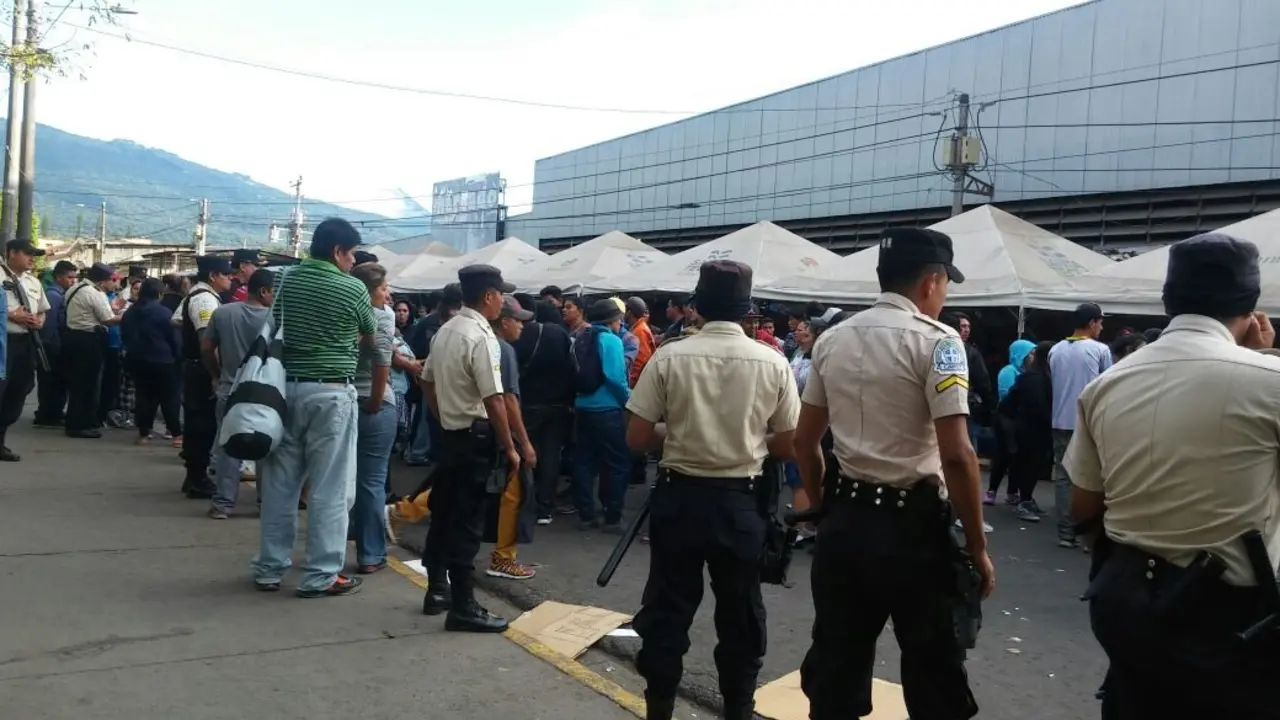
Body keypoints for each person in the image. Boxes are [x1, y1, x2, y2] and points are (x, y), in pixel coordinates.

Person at [1067, 233, 1280, 719]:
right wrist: (1265, 358)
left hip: (1123, 599)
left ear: (1168, 299)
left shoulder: (1107, 383)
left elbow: (1082, 507)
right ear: (1251, 308)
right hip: (1227, 616)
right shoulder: (1270, 382)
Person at [794, 227, 994, 720]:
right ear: (931, 282)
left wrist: (823, 507)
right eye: (946, 285)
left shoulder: (833, 339)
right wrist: (977, 545)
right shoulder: (942, 344)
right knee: (934, 674)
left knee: (836, 668)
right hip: (914, 533)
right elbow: (958, 455)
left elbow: (805, 441)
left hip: (845, 525)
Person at [625, 260, 799, 720]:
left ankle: (659, 708)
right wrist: (746, 437)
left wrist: (679, 431)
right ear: (747, 312)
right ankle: (738, 709)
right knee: (741, 614)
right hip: (741, 502)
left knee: (667, 610)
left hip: (679, 499)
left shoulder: (669, 356)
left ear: (696, 307)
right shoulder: (773, 362)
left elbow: (637, 437)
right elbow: (787, 445)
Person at [252, 218, 375, 598]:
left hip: (282, 392)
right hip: (332, 393)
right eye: (351, 254)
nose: (353, 262)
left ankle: (269, 569)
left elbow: (274, 325)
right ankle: (321, 574)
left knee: (279, 487)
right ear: (338, 251)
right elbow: (370, 335)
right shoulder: (353, 288)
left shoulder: (285, 280)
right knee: (330, 489)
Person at [417, 263, 521, 632]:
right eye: (501, 296)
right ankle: (464, 605)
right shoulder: (481, 336)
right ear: (490, 297)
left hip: (451, 434)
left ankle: (436, 589)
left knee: (443, 513)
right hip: (476, 438)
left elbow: (426, 379)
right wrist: (510, 448)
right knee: (466, 523)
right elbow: (495, 398)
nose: (503, 303)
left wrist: (442, 413)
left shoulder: (445, 330)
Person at [201, 268, 275, 519]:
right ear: (264, 291)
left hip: (229, 390)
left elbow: (207, 348)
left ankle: (223, 505)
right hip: (267, 395)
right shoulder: (275, 319)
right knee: (267, 447)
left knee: (228, 448)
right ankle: (266, 504)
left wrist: (215, 374)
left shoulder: (222, 313)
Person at [1048, 302, 1112, 549]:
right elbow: (1107, 386)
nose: (1102, 327)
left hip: (1059, 420)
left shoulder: (1056, 350)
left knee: (1063, 477)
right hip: (1088, 422)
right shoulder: (1100, 350)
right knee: (1092, 477)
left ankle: (1065, 532)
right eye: (1101, 322)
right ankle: (1088, 533)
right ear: (1093, 323)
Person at [349, 262, 398, 574]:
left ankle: (335, 545)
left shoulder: (341, 315)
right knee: (372, 481)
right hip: (373, 403)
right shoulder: (382, 317)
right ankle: (370, 555)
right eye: (383, 288)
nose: (388, 294)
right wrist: (377, 400)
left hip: (343, 398)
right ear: (369, 292)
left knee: (341, 480)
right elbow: (382, 362)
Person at [173, 256, 233, 499]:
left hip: (194, 366)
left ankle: (193, 476)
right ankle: (197, 478)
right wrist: (215, 374)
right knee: (202, 425)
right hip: (201, 369)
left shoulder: (195, 296)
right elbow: (206, 341)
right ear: (212, 276)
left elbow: (176, 319)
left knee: (198, 422)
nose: (230, 279)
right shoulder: (205, 299)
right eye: (226, 275)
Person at [487, 295, 537, 580]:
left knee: (470, 486)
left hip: (478, 427)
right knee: (514, 493)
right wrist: (522, 443)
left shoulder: (483, 342)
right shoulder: (503, 350)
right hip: (498, 430)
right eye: (518, 321)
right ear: (504, 321)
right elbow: (507, 399)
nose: (522, 327)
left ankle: (403, 510)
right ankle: (503, 558)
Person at [571, 299, 632, 532]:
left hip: (582, 408)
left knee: (584, 462)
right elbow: (616, 378)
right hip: (607, 411)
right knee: (618, 463)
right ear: (612, 320)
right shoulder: (611, 341)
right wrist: (628, 402)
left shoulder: (580, 338)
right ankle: (613, 517)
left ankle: (586, 515)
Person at [514, 299, 574, 525]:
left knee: (525, 453)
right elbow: (571, 366)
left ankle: (522, 502)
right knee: (550, 456)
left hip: (528, 403)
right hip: (557, 404)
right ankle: (544, 508)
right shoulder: (560, 334)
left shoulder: (523, 334)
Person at [1, 239, 50, 460]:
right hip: (3, 341)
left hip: (25, 342)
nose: (32, 258)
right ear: (12, 253)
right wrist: (11, 315)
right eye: (28, 253)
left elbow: (42, 309)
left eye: (35, 254)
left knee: (20, 389)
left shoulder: (33, 282)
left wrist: (39, 320)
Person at [63, 263, 124, 439]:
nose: (112, 284)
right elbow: (108, 319)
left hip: (74, 337)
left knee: (78, 383)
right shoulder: (94, 293)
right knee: (87, 384)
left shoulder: (76, 288)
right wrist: (127, 316)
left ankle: (76, 421)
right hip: (88, 340)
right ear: (103, 280)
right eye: (111, 280)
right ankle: (80, 424)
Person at [405, 283, 463, 466]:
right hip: (435, 373)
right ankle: (419, 451)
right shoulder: (437, 322)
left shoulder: (432, 321)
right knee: (427, 414)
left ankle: (420, 450)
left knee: (427, 413)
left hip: (429, 372)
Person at [121, 277, 182, 446]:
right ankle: (176, 435)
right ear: (159, 293)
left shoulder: (130, 313)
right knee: (169, 397)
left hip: (137, 359)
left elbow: (125, 336)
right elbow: (174, 340)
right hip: (163, 361)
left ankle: (143, 433)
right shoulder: (164, 313)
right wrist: (178, 358)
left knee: (143, 396)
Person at [998, 340, 1054, 522]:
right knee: (1030, 466)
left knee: (1030, 465)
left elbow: (1008, 403)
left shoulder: (1030, 376)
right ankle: (1024, 501)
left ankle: (1026, 498)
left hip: (1027, 427)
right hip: (1033, 429)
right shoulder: (1036, 378)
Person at [987, 339, 1035, 506]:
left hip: (1020, 421)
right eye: (1031, 354)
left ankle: (1012, 492)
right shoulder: (1008, 371)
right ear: (1021, 355)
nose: (1033, 357)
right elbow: (1006, 395)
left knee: (1018, 458)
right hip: (1006, 420)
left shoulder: (1029, 373)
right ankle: (991, 491)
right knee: (1003, 456)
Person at [33, 260, 77, 428]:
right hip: (52, 346)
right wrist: (51, 347)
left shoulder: (61, 294)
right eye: (70, 277)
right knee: (50, 382)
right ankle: (47, 414)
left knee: (56, 382)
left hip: (56, 345)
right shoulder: (53, 295)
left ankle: (53, 412)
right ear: (59, 277)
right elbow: (49, 325)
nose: (73, 281)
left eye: (75, 277)